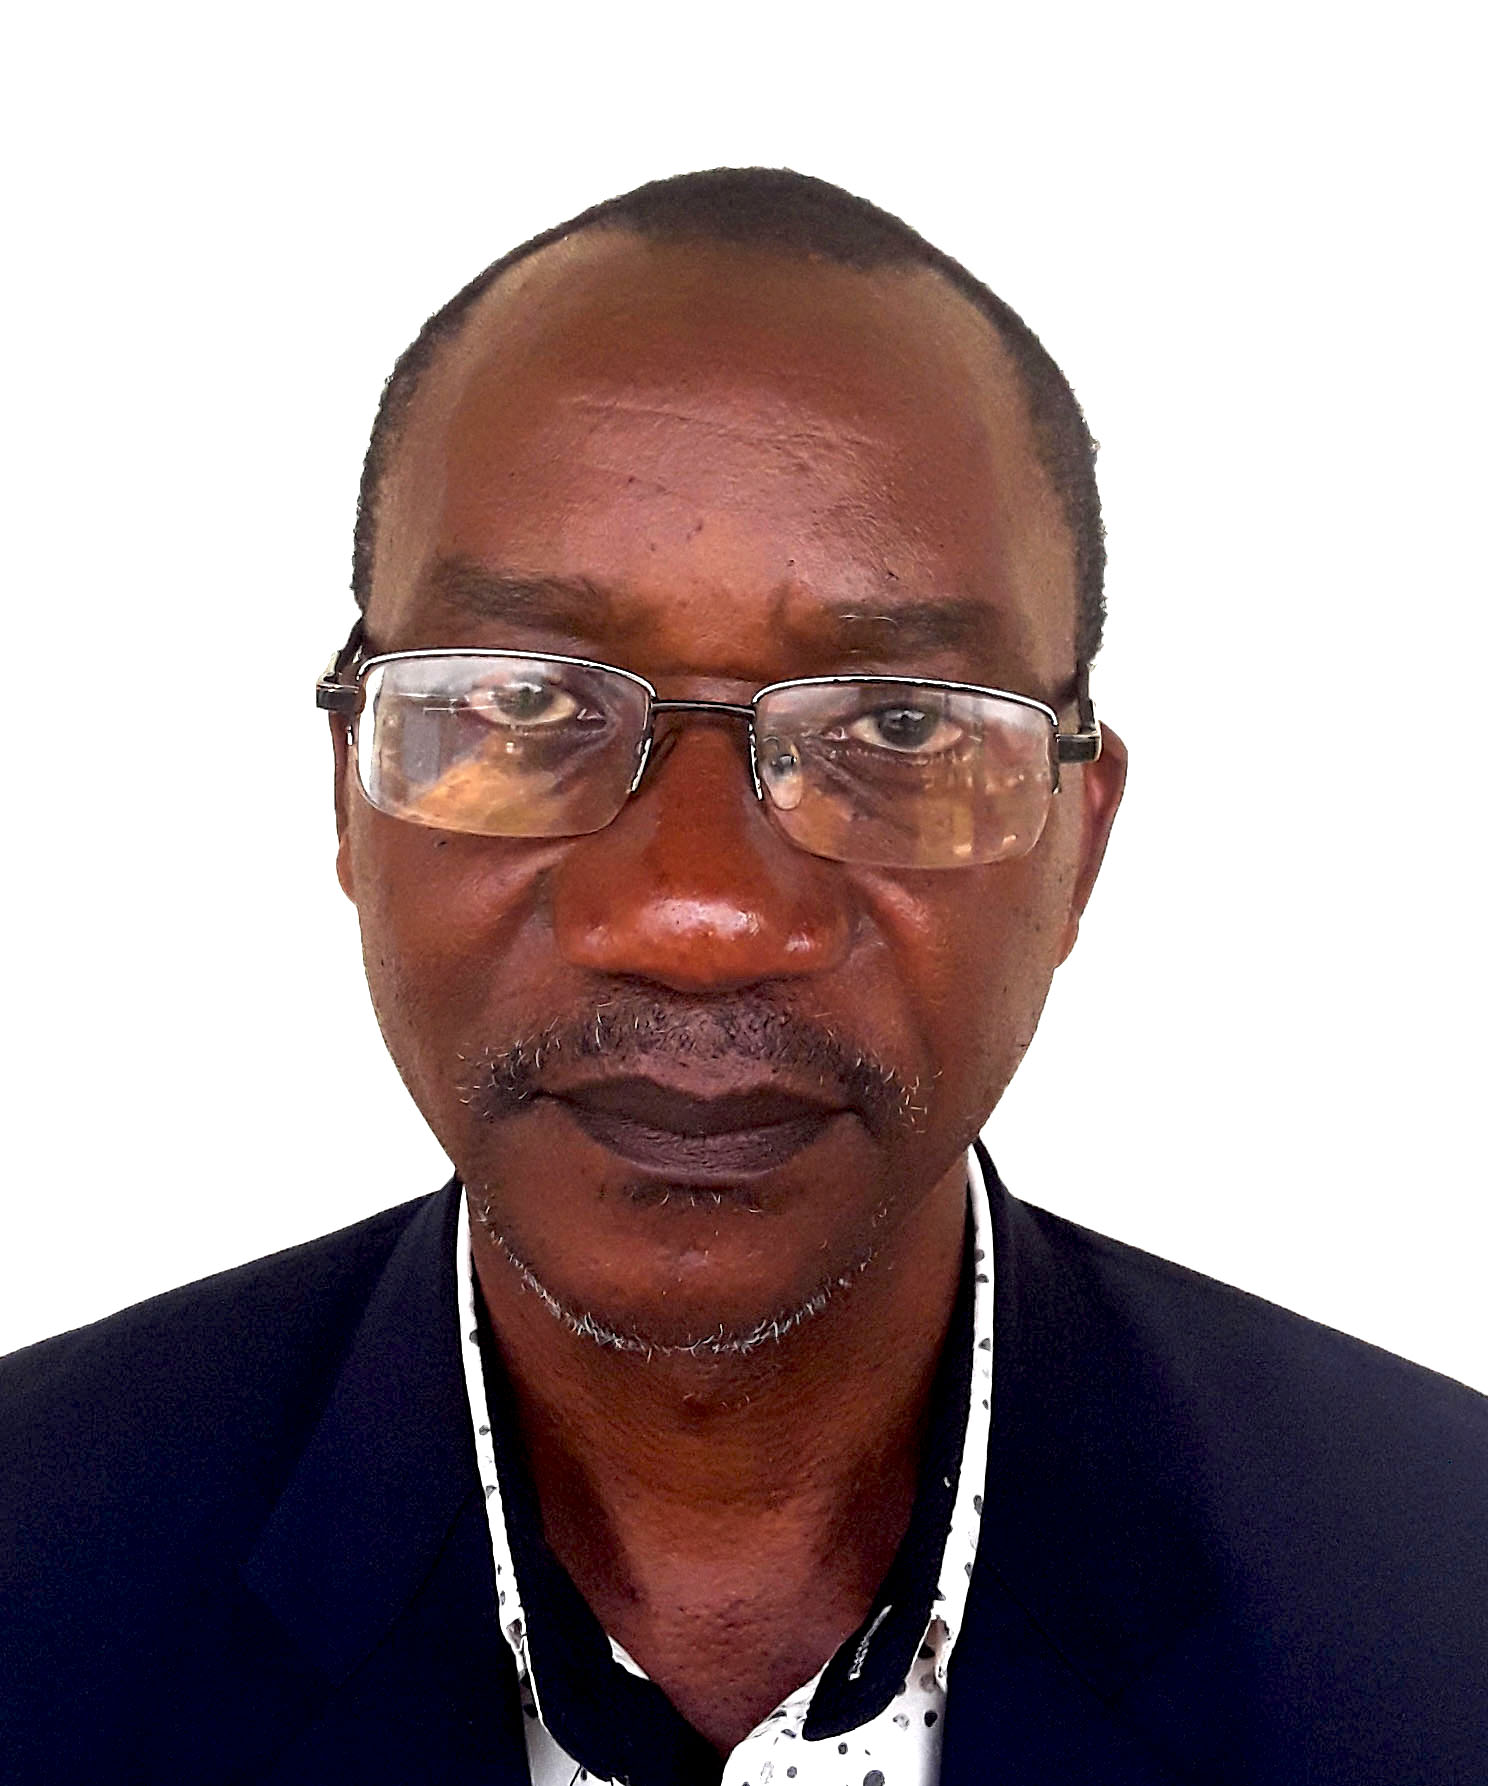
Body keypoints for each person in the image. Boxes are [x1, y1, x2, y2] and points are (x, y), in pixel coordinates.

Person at [2, 168, 1483, 1785]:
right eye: (523, 705)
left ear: (1077, 842)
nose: (695, 910)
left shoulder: (1442, 1605)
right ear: (350, 797)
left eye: (898, 727)